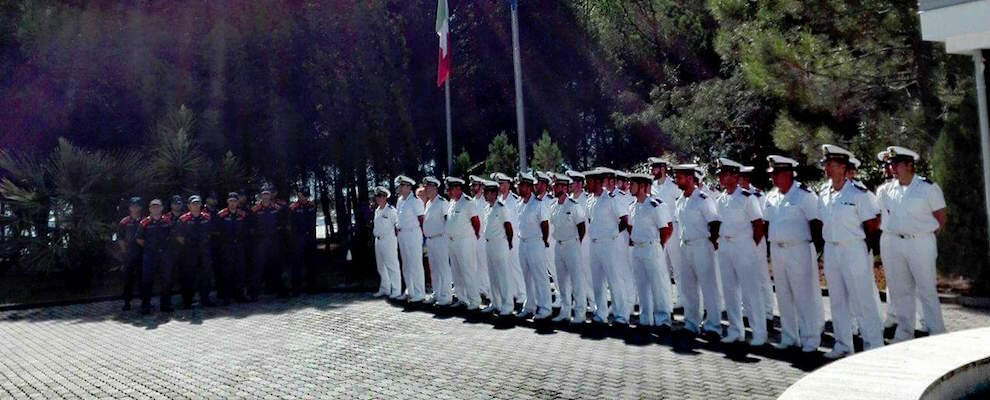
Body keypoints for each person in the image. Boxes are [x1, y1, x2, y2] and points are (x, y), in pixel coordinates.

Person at [818, 144, 885, 359]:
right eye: (826, 164)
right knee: (837, 299)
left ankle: (873, 346)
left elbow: (871, 225)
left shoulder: (858, 193)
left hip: (853, 247)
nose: (827, 169)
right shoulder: (824, 191)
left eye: (832, 165)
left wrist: (864, 250)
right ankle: (843, 344)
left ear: (843, 168)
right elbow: (822, 223)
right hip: (831, 249)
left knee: (862, 299)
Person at [877, 146, 947, 342]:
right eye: (890, 164)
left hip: (920, 242)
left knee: (927, 290)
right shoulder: (885, 190)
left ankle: (937, 334)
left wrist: (923, 233)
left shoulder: (927, 188)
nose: (892, 168)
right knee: (900, 291)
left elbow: (941, 217)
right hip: (894, 243)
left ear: (909, 165)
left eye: (896, 164)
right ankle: (904, 333)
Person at [763, 155, 825, 352]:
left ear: (789, 174)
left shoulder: (804, 195)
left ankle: (811, 339)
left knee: (804, 296)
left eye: (777, 174)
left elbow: (816, 224)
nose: (773, 178)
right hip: (778, 249)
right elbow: (766, 224)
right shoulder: (771, 196)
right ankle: (789, 337)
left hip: (799, 249)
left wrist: (817, 252)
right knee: (783, 294)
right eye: (772, 175)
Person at [713, 158, 767, 346]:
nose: (720, 177)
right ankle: (736, 330)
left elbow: (758, 225)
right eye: (719, 174)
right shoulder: (721, 199)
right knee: (730, 291)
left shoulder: (747, 197)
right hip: (726, 246)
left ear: (734, 175)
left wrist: (750, 245)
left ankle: (759, 332)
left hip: (744, 246)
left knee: (750, 292)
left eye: (723, 174)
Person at [672, 164, 723, 339]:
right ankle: (691, 324)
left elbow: (715, 222)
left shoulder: (703, 199)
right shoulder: (680, 200)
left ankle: (713, 327)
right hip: (685, 246)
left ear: (690, 178)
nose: (677, 180)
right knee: (688, 288)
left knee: (708, 287)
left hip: (702, 245)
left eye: (680, 177)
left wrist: (712, 241)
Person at [627, 173, 674, 330]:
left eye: (632, 184)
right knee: (642, 286)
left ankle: (663, 320)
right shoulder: (633, 206)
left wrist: (659, 246)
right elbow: (631, 227)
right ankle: (645, 318)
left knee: (658, 285)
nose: (629, 187)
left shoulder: (655, 205)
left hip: (651, 248)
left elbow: (666, 228)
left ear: (641, 186)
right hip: (637, 249)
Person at [586, 167, 632, 325]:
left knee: (614, 280)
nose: (587, 184)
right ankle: (601, 313)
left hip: (609, 244)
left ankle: (621, 315)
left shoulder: (612, 198)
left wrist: (612, 233)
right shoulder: (590, 200)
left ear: (598, 182)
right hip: (594, 244)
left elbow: (625, 220)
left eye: (589, 181)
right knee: (597, 281)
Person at [549, 173, 588, 323]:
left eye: (558, 185)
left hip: (572, 245)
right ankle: (565, 312)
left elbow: (581, 227)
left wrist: (577, 243)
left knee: (577, 281)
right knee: (562, 281)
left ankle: (580, 313)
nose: (555, 188)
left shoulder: (573, 205)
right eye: (554, 185)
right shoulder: (553, 205)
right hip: (558, 246)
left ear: (565, 188)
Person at [739, 165, 776, 324]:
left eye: (739, 177)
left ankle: (767, 313)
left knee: (762, 277)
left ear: (745, 179)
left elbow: (762, 222)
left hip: (756, 241)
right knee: (744, 277)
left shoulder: (758, 195)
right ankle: (747, 311)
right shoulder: (736, 195)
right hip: (741, 243)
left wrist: (755, 243)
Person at [515, 172, 553, 319]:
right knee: (527, 277)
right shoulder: (520, 204)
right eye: (519, 186)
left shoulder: (538, 204)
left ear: (528, 187)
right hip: (523, 243)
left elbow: (545, 224)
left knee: (540, 277)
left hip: (535, 243)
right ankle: (529, 306)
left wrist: (543, 241)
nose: (519, 188)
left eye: (521, 186)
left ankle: (545, 308)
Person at [648, 157, 683, 307]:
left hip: (673, 228)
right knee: (662, 267)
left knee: (677, 265)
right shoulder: (652, 186)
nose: (652, 171)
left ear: (662, 169)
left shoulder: (673, 186)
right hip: (658, 230)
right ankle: (667, 300)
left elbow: (681, 203)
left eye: (655, 168)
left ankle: (682, 299)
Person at [445, 177, 482, 310]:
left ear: (458, 188)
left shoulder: (467, 202)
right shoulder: (452, 202)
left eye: (450, 189)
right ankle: (462, 299)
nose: (448, 192)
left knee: (468, 271)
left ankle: (475, 301)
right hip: (453, 242)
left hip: (465, 241)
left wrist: (474, 235)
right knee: (456, 273)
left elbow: (476, 222)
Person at [482, 179, 516, 316]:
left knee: (503, 276)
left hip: (500, 244)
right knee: (493, 276)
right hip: (489, 244)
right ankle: (496, 303)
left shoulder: (501, 207)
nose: (485, 195)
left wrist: (509, 243)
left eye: (487, 193)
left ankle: (507, 305)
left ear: (493, 194)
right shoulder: (487, 208)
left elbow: (508, 227)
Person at [137, 198, 175, 314]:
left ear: (162, 208)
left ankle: (165, 305)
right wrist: (150, 247)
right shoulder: (144, 222)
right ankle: (146, 306)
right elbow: (139, 239)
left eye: (158, 206)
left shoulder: (167, 221)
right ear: (149, 209)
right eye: (153, 206)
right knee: (147, 281)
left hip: (164, 255)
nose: (155, 208)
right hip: (150, 255)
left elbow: (172, 236)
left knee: (166, 280)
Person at [494, 172, 527, 306]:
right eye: (499, 184)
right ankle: (513, 293)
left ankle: (523, 294)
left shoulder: (514, 200)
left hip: (513, 239)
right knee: (506, 268)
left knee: (516, 267)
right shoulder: (499, 200)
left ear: (508, 184)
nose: (500, 187)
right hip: (502, 239)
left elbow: (515, 221)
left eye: (502, 183)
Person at [177, 195, 215, 308]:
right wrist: (189, 246)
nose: (196, 205)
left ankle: (205, 299)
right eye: (193, 203)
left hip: (204, 250)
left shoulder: (207, 217)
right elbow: (179, 237)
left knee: (206, 275)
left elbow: (209, 234)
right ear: (188, 205)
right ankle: (187, 301)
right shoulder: (183, 219)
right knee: (189, 276)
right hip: (189, 251)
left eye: (197, 203)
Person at [395, 175, 426, 302]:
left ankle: (420, 293)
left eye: (402, 186)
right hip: (402, 235)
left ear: (409, 187)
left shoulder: (416, 201)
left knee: (416, 264)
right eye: (400, 185)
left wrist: (424, 238)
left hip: (413, 234)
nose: (400, 188)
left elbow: (421, 220)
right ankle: (410, 290)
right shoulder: (400, 200)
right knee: (406, 264)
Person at [251, 185, 285, 300]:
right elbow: (251, 226)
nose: (266, 196)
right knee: (258, 267)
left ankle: (279, 290)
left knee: (275, 265)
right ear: (261, 195)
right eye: (264, 194)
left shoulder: (277, 208)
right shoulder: (255, 209)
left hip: (273, 240)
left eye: (268, 194)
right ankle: (255, 293)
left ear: (271, 195)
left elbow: (281, 223)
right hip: (260, 242)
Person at [422, 177, 452, 306]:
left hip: (440, 238)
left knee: (443, 268)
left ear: (435, 188)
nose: (427, 190)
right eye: (426, 188)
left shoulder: (442, 202)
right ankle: (437, 293)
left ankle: (446, 296)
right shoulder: (429, 203)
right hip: (430, 240)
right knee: (434, 269)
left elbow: (447, 221)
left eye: (429, 187)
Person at [216, 192, 249, 305]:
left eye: (235, 201)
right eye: (230, 201)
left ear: (237, 202)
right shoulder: (221, 215)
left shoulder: (242, 214)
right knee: (227, 272)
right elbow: (217, 232)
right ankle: (227, 296)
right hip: (226, 247)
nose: (233, 203)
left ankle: (239, 294)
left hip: (239, 246)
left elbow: (245, 231)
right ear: (227, 202)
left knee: (240, 271)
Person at [372, 186, 402, 298]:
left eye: (381, 196)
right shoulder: (377, 210)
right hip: (378, 240)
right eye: (377, 196)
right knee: (381, 266)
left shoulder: (391, 210)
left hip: (389, 240)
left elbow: (398, 225)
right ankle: (385, 289)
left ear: (386, 197)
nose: (378, 198)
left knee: (392, 266)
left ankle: (396, 290)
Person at [289, 188, 317, 296]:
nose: (303, 197)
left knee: (310, 263)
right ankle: (296, 288)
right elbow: (291, 225)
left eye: (305, 195)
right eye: (301, 195)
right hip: (298, 239)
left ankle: (311, 287)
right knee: (297, 264)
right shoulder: (293, 208)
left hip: (309, 238)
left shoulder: (312, 206)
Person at [118, 197, 144, 311]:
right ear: (129, 208)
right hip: (129, 254)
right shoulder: (124, 222)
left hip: (142, 254)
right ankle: (127, 302)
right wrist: (125, 252)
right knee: (128, 279)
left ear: (141, 207)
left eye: (137, 206)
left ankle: (144, 301)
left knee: (143, 278)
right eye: (133, 206)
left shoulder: (145, 220)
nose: (135, 208)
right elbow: (120, 239)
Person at [468, 176, 492, 299]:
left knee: (484, 264)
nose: (472, 188)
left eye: (475, 185)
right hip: (473, 237)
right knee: (476, 264)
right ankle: (480, 288)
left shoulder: (485, 201)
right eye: (471, 185)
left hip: (483, 237)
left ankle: (487, 290)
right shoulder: (472, 201)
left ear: (481, 187)